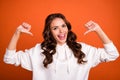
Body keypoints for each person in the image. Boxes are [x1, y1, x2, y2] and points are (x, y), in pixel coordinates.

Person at [4, 13, 119, 80]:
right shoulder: (39, 51)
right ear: (49, 32)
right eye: (55, 28)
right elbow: (9, 58)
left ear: (68, 27)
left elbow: (113, 54)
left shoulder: (82, 49)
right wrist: (16, 34)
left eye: (63, 26)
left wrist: (98, 30)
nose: (61, 31)